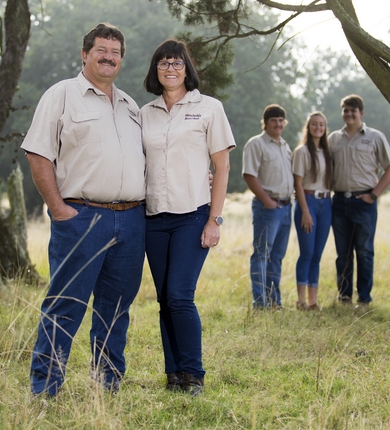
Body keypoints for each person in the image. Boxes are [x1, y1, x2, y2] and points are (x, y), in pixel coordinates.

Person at [22, 23, 145, 396]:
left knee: (116, 309)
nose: (109, 57)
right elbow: (38, 152)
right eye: (101, 50)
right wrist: (58, 209)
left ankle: (106, 387)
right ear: (85, 54)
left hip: (132, 219)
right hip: (82, 217)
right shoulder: (62, 95)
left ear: (122, 58)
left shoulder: (130, 106)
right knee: (65, 305)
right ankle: (46, 390)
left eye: (115, 52)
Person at [140, 39, 235, 395]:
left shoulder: (209, 108)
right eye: (163, 63)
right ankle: (173, 374)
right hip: (152, 218)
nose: (170, 69)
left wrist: (215, 219)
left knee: (180, 295)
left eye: (177, 63)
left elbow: (222, 167)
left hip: (192, 215)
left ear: (186, 68)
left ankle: (194, 374)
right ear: (155, 70)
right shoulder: (144, 112)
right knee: (164, 299)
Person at [328, 94, 390, 309]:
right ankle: (344, 297)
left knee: (364, 251)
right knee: (343, 254)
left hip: (364, 201)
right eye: (345, 110)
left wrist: (374, 194)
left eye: (353, 110)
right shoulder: (333, 139)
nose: (349, 114)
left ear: (361, 113)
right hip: (339, 202)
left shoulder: (375, 137)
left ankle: (364, 299)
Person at [242, 104, 294, 309]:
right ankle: (260, 302)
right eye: (274, 120)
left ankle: (275, 301)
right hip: (268, 209)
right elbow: (249, 175)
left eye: (281, 120)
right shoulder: (256, 144)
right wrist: (267, 201)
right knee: (262, 254)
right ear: (265, 122)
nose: (278, 124)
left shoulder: (284, 145)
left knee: (277, 257)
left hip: (286, 208)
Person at [292, 111, 333, 311]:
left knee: (317, 254)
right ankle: (300, 300)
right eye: (314, 124)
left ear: (325, 129)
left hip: (326, 203)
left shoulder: (327, 152)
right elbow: (297, 184)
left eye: (321, 125)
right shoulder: (301, 152)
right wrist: (305, 211)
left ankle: (313, 301)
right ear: (308, 127)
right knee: (307, 252)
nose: (318, 127)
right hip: (307, 201)